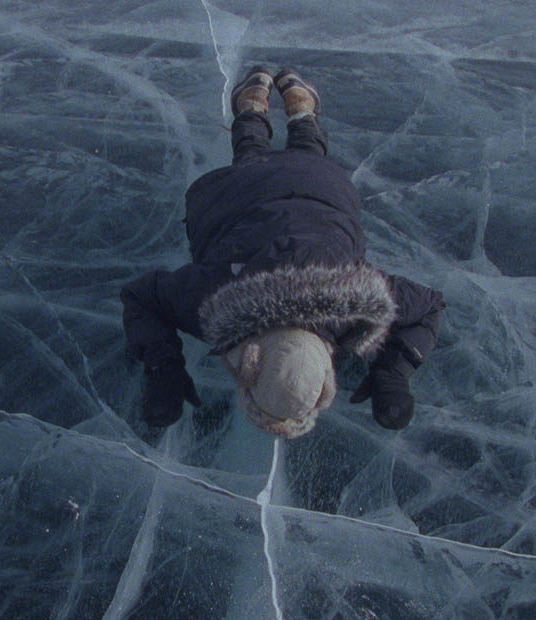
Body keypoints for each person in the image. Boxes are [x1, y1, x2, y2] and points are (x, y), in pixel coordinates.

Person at [120, 67, 445, 438]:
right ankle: (255, 105)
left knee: (303, 158)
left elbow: (428, 306)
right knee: (252, 157)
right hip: (247, 191)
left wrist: (394, 373)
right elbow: (140, 297)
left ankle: (300, 107)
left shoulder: (356, 302)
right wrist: (164, 367)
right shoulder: (213, 303)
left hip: (321, 187)